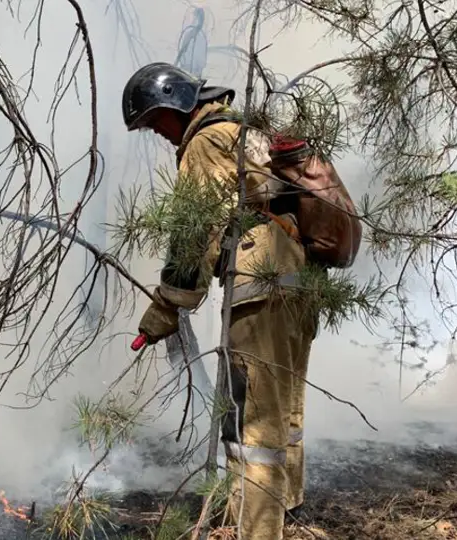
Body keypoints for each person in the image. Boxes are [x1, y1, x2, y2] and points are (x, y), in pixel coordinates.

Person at [122, 62, 318, 540]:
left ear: (176, 104)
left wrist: (165, 308)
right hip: (300, 285)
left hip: (259, 291)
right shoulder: (244, 131)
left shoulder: (207, 141)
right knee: (284, 411)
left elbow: (195, 231)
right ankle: (284, 513)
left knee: (252, 423)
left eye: (155, 121)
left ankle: (254, 531)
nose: (158, 134)